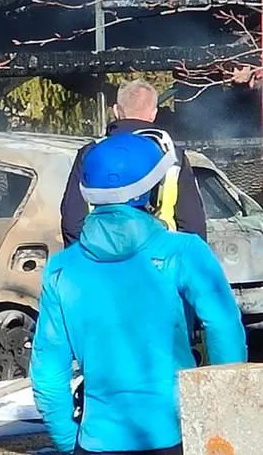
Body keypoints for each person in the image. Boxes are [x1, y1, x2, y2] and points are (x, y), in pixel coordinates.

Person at [31, 132, 246, 455]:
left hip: (95, 441)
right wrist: (223, 418)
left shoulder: (62, 269)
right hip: (174, 434)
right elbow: (224, 328)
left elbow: (48, 372)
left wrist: (66, 442)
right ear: (153, 188)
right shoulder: (184, 252)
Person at [60, 79, 206, 247]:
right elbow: (192, 223)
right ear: (153, 114)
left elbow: (72, 219)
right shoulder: (172, 156)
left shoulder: (91, 153)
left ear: (116, 111)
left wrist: (86, 260)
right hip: (158, 260)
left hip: (100, 259)